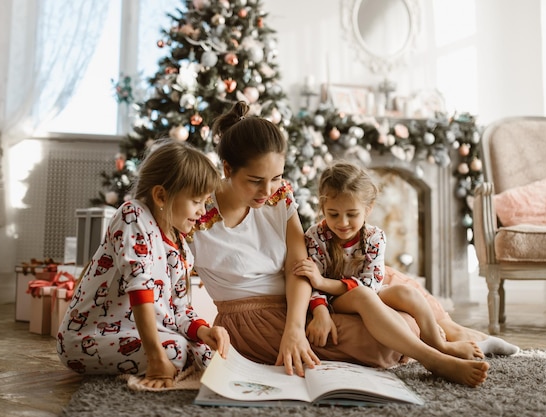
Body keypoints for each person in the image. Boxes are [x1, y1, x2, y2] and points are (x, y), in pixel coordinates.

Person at [189, 101, 492, 388]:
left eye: (276, 178)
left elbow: (300, 268)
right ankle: (435, 357)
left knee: (404, 311)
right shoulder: (197, 217)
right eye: (255, 180)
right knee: (388, 340)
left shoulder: (278, 197)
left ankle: (442, 344)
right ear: (227, 169)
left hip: (300, 302)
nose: (267, 190)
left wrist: (296, 325)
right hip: (252, 320)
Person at [56, 139, 230, 390]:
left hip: (142, 334)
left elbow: (180, 312)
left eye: (205, 202)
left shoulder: (181, 247)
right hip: (88, 338)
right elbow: (140, 288)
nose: (202, 212)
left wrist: (204, 332)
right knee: (176, 351)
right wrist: (156, 357)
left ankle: (170, 353)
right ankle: (160, 357)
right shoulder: (132, 216)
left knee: (206, 351)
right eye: (196, 201)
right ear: (161, 195)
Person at [295, 161, 483, 361]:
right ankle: (429, 357)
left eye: (352, 214)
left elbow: (371, 283)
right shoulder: (315, 236)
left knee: (407, 292)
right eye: (333, 214)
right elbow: (309, 280)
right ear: (323, 207)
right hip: (335, 300)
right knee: (361, 295)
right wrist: (320, 311)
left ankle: (439, 344)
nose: (343, 223)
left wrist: (323, 282)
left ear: (368, 209)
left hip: (369, 290)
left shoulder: (375, 237)